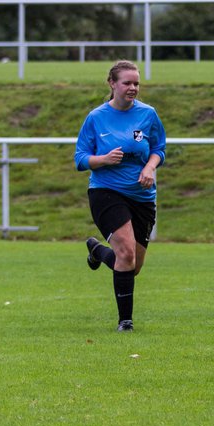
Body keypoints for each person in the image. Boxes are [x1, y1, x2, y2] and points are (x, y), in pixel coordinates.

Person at [75, 60, 166, 333]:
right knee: (125, 254)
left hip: (142, 196)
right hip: (106, 192)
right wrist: (102, 159)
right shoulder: (96, 118)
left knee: (131, 265)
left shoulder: (148, 114)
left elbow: (159, 148)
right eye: (127, 83)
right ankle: (125, 322)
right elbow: (80, 159)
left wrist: (150, 167)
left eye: (136, 83)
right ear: (112, 84)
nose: (133, 88)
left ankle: (98, 251)